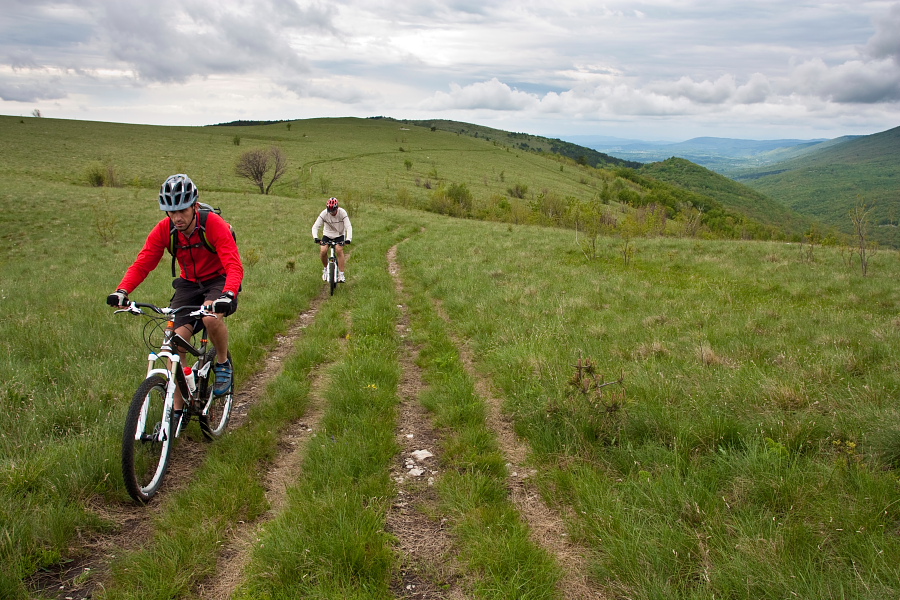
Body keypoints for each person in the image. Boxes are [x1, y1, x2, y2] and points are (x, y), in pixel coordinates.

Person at [106, 174, 243, 417]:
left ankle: (222, 362)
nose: (177, 217)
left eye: (182, 210)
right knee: (174, 342)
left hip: (218, 280)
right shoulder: (165, 230)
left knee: (211, 317)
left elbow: (233, 265)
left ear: (194, 206)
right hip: (189, 284)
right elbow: (143, 263)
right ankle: (177, 412)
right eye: (171, 212)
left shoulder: (213, 224)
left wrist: (228, 293)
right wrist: (122, 290)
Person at [311, 197, 353, 282]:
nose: (332, 213)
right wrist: (316, 238)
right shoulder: (324, 213)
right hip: (327, 234)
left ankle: (341, 275)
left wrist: (348, 239)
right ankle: (326, 269)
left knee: (339, 250)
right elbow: (315, 227)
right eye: (330, 211)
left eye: (333, 211)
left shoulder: (342, 213)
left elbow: (348, 227)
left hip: (339, 234)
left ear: (337, 208)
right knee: (323, 250)